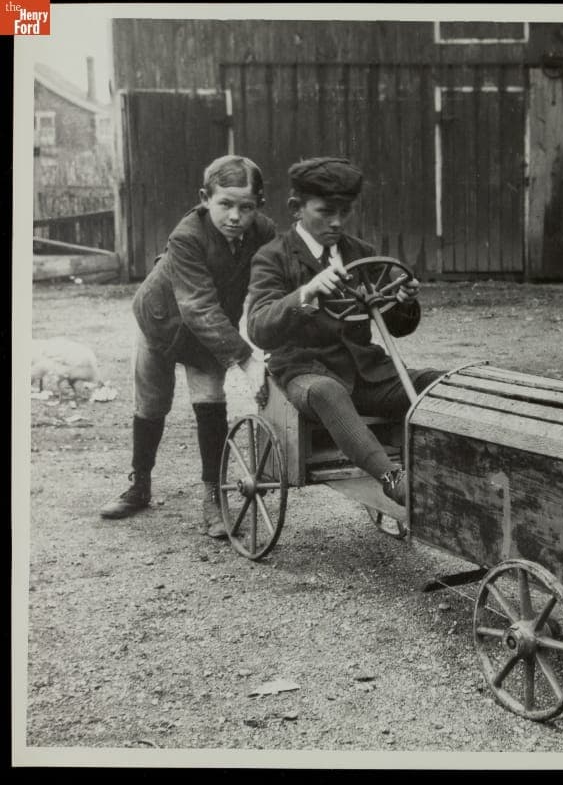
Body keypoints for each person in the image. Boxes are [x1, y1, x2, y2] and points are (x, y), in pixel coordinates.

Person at [247, 156, 443, 506]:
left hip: (366, 373)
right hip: (304, 369)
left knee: (436, 383)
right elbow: (260, 329)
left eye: (345, 211)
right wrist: (307, 293)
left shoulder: (361, 253)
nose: (337, 222)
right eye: (325, 212)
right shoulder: (273, 257)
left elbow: (398, 327)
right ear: (297, 207)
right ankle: (393, 478)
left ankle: (445, 472)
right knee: (327, 392)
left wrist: (403, 300)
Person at [99, 155, 275, 538]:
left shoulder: (264, 233)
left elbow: (273, 284)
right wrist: (246, 358)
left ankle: (214, 495)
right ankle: (139, 484)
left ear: (259, 205)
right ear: (204, 198)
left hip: (209, 329)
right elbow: (197, 307)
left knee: (210, 401)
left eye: (246, 207)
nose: (234, 216)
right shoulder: (186, 236)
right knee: (151, 404)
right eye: (224, 204)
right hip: (160, 323)